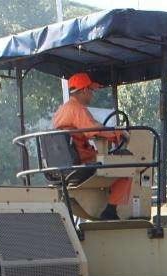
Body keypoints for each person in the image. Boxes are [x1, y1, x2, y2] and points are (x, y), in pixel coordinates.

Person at [52, 72, 130, 220]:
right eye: (92, 91)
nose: (92, 95)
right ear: (84, 90)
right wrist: (119, 134)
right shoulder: (77, 109)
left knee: (114, 162)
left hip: (64, 165)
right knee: (128, 163)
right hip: (81, 163)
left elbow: (90, 128)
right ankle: (111, 211)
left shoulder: (61, 111)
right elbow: (94, 130)